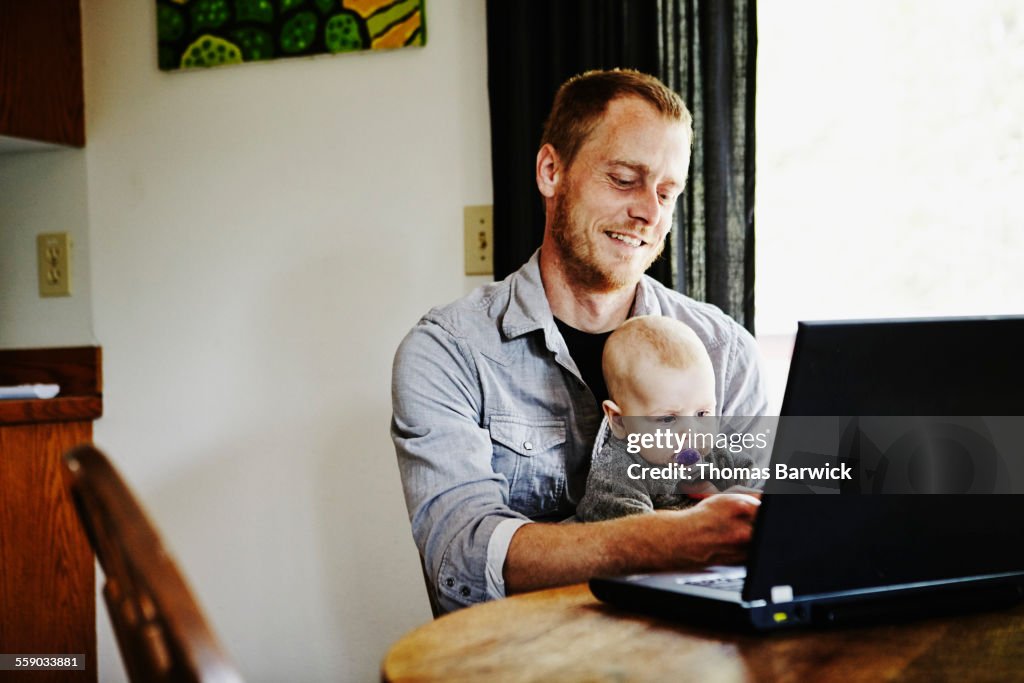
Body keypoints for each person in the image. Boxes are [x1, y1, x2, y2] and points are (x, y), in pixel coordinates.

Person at [391, 69, 767, 614]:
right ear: (551, 171)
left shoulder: (725, 351)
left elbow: (760, 537)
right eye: (623, 179)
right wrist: (664, 540)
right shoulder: (447, 353)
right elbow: (461, 560)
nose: (650, 212)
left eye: (667, 192)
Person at [576, 315, 757, 522]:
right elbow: (637, 537)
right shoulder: (617, 474)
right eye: (667, 419)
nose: (691, 432)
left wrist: (737, 496)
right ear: (619, 420)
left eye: (702, 414)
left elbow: (749, 476)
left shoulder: (713, 453)